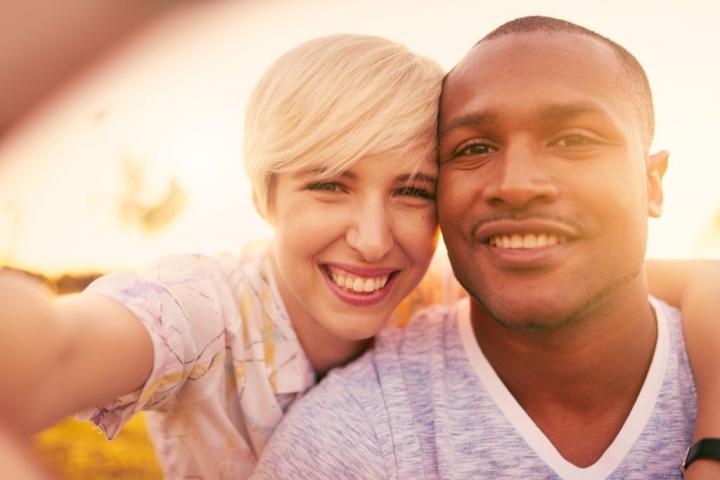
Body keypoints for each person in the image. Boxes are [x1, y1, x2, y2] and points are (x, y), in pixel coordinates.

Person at [0, 27, 717, 480]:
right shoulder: (202, 311)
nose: (373, 240)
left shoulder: (438, 284)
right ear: (264, 195)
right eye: (328, 185)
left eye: (411, 191)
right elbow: (53, 350)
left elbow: (673, 280)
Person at [252, 17, 720, 479]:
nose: (516, 185)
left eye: (574, 139)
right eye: (474, 148)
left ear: (653, 185)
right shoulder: (347, 443)